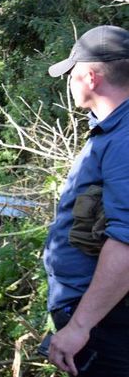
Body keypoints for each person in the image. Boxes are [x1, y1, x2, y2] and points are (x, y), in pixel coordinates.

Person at [44, 25, 129, 376]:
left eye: (72, 75)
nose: (69, 84)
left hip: (108, 325)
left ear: (90, 77)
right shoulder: (111, 132)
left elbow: (126, 242)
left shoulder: (124, 140)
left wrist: (80, 326)